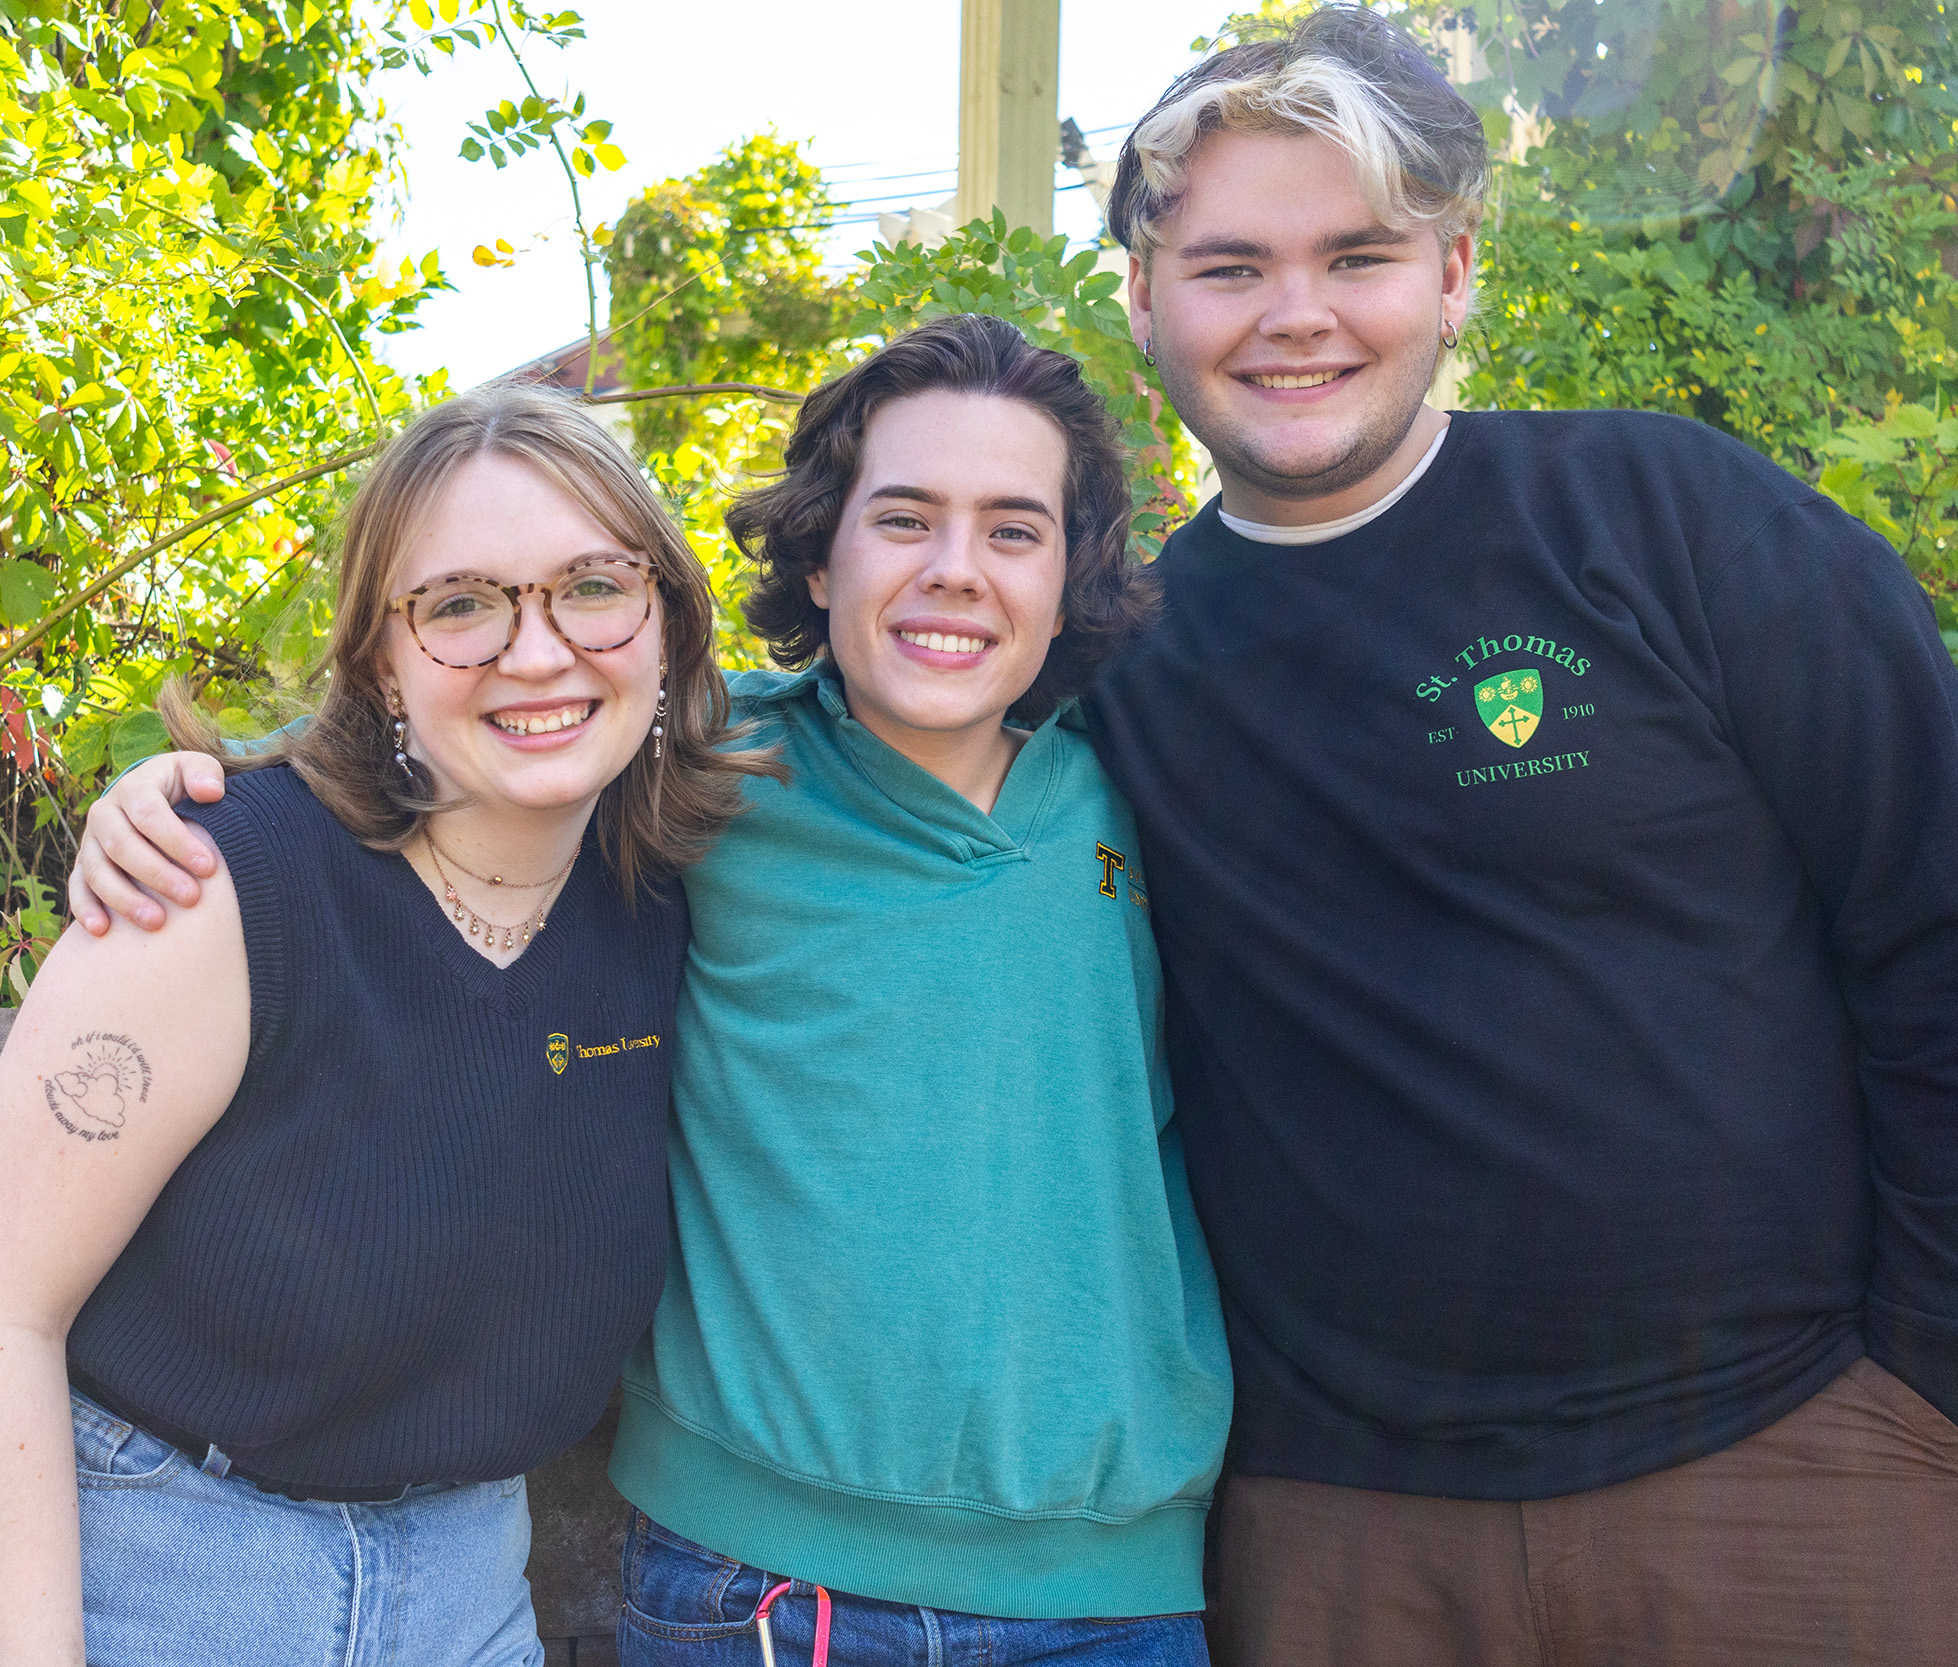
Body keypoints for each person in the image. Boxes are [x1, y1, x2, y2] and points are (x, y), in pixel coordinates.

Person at [70, 316, 1234, 1666]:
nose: (953, 572)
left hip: (1106, 1591)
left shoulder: (1150, 779)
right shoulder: (704, 768)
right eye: (902, 517)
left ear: (1073, 569)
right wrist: (184, 789)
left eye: (1014, 530)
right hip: (752, 1585)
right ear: (820, 548)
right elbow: (468, 723)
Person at [1078, 8, 1958, 1666]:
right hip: (1338, 1530)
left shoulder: (1664, 517)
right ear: (1141, 296)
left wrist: (1925, 1385)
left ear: (1455, 272)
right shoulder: (1114, 659)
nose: (1295, 315)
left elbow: (1931, 916)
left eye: (1357, 255)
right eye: (1226, 266)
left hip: (1793, 1473)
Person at [2, 383, 772, 1667]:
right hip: (157, 1570)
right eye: (461, 603)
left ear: (666, 619)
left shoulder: (671, 896)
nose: (538, 651)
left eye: (592, 584)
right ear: (381, 658)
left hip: (472, 1591)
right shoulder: (214, 887)